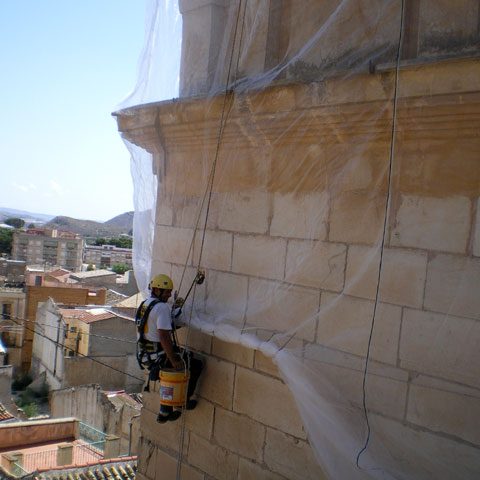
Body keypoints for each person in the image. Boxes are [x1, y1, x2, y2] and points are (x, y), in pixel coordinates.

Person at [136, 273, 203, 423]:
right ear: (157, 290)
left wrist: (174, 312)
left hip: (146, 354)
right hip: (159, 353)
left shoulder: (145, 304)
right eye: (167, 292)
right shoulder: (162, 308)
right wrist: (173, 359)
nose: (169, 295)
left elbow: (157, 327)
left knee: (168, 377)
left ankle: (164, 412)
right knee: (195, 365)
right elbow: (164, 336)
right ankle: (182, 402)